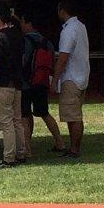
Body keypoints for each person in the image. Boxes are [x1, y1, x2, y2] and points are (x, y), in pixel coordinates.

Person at [0, 6, 28, 168]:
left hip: (2, 84)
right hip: (16, 83)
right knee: (17, 120)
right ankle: (21, 153)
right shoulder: (17, 35)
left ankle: (8, 158)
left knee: (5, 122)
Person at [54, 0, 90, 159]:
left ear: (63, 11)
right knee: (74, 114)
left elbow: (63, 58)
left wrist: (55, 79)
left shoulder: (68, 30)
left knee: (73, 115)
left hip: (71, 77)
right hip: (81, 75)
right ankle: (74, 147)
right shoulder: (81, 27)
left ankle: (74, 149)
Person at [21, 13, 63, 150]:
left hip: (26, 83)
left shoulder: (25, 41)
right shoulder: (47, 42)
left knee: (25, 116)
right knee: (44, 113)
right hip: (41, 82)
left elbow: (22, 61)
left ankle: (27, 148)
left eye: (22, 21)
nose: (21, 24)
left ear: (29, 24)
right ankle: (60, 143)